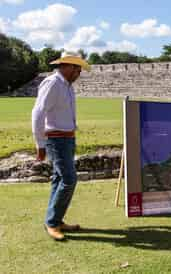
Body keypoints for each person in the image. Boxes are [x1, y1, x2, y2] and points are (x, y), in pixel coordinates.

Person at [32, 52, 91, 241]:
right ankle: (52, 223)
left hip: (67, 139)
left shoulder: (66, 86)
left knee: (59, 179)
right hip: (56, 140)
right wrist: (40, 144)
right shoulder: (53, 84)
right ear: (65, 66)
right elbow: (38, 113)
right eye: (76, 68)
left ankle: (55, 219)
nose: (79, 72)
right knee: (69, 179)